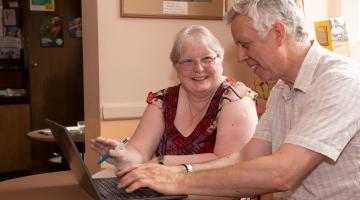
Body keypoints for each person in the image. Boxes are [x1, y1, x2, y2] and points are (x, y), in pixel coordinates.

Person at [116, 0, 360, 199]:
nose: (241, 57)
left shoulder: (341, 82)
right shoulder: (282, 88)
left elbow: (282, 174)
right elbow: (247, 156)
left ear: (278, 33)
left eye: (246, 45)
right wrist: (178, 170)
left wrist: (179, 181)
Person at [91, 25, 258, 169]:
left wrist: (164, 162)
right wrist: (123, 157)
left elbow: (228, 161)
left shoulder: (236, 99)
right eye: (188, 61)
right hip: (171, 191)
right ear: (176, 68)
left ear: (220, 61)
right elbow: (139, 152)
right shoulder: (164, 101)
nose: (198, 68)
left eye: (207, 59)